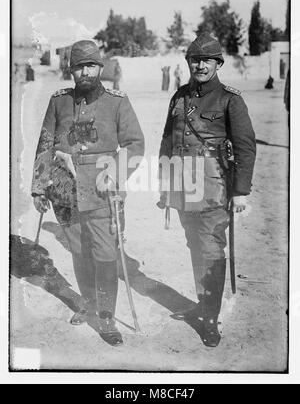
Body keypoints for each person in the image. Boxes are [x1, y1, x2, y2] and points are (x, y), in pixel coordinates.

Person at [32, 40, 145, 346]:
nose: (85, 72)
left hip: (101, 191)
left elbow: (135, 145)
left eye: (91, 66)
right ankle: (90, 304)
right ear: (72, 70)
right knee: (79, 252)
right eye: (80, 66)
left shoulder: (117, 102)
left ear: (100, 68)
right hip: (65, 191)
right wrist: (39, 186)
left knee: (105, 253)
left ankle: (107, 317)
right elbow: (45, 143)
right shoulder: (59, 101)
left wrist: (115, 173)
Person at [158, 33, 256, 347]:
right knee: (194, 246)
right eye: (195, 59)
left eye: (207, 60)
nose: (200, 65)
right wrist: (164, 185)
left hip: (213, 185)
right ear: (188, 62)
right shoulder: (179, 96)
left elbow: (245, 148)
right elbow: (167, 141)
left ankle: (210, 320)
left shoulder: (230, 99)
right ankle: (203, 302)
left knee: (211, 249)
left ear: (217, 64)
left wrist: (240, 192)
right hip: (183, 187)